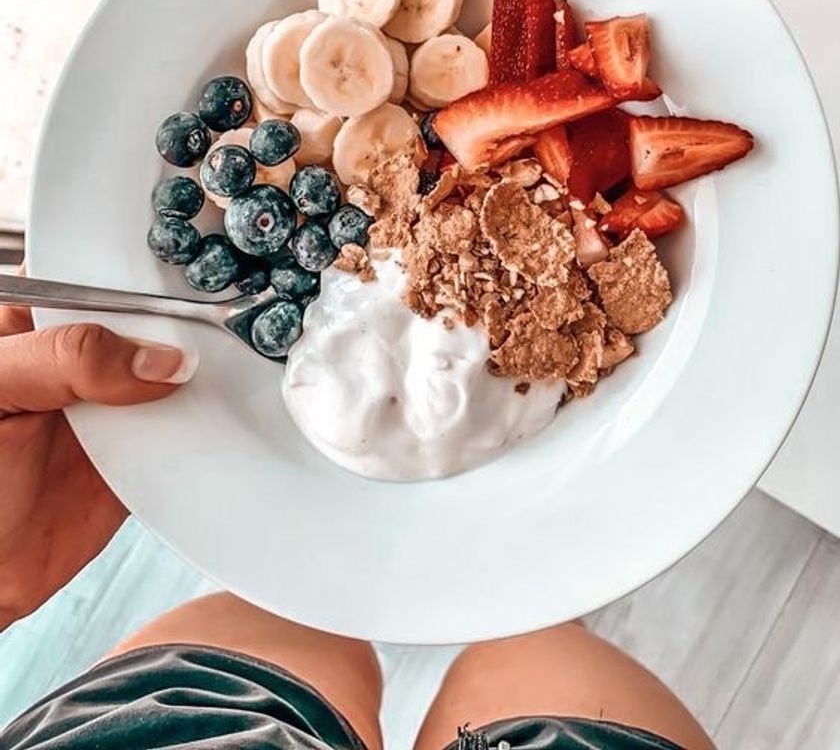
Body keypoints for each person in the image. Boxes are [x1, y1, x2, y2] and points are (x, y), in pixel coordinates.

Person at [0, 298, 714, 750]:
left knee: (287, 624)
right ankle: (529, 598)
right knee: (539, 647)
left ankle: (512, 594)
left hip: (173, 729)